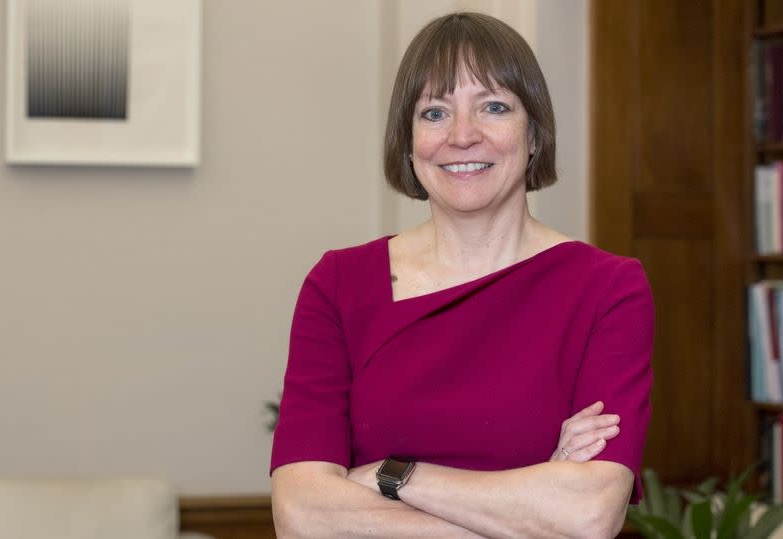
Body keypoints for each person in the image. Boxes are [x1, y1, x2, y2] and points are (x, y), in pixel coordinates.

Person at [270, 11, 653, 539]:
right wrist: (527, 507)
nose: (462, 136)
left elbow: (587, 517)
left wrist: (392, 476)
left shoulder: (609, 289)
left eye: (494, 107)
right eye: (434, 112)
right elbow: (301, 515)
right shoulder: (338, 285)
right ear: (407, 142)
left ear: (534, 133)